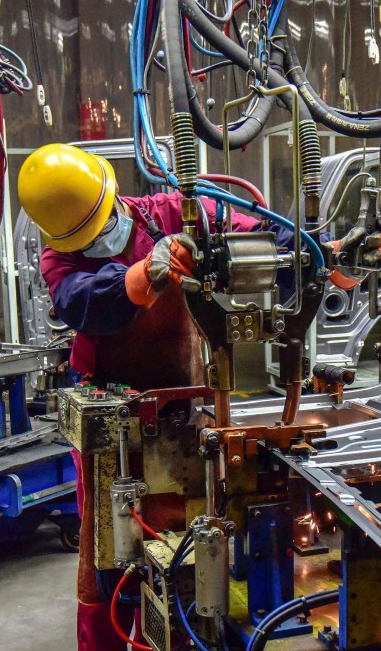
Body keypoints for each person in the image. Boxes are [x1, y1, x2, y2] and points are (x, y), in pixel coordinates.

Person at [19, 144, 283, 651]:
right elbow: (84, 303)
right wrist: (146, 272)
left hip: (182, 405)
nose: (98, 239)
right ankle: (107, 641)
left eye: (100, 225)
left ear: (113, 196)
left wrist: (325, 255)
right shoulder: (59, 256)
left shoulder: (166, 212)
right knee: (110, 553)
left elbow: (257, 233)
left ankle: (182, 634)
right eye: (86, 236)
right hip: (110, 421)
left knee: (189, 537)